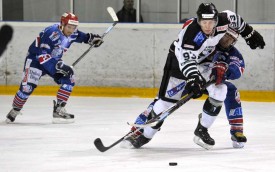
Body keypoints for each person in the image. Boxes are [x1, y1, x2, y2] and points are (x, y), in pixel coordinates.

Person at [120, 3, 265, 149]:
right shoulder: (190, 33)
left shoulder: (225, 21)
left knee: (221, 90)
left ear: (216, 20)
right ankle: (145, 136)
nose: (208, 26)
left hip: (202, 64)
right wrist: (194, 79)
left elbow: (236, 20)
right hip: (178, 64)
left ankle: (202, 129)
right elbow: (187, 61)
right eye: (204, 22)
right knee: (165, 103)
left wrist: (249, 33)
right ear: (198, 21)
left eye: (211, 22)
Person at [5, 12, 104, 124]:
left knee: (69, 76)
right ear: (62, 24)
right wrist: (57, 66)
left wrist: (92, 39)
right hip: (35, 60)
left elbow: (83, 37)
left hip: (52, 60)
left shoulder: (72, 32)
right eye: (69, 27)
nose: (71, 30)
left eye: (73, 27)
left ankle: (59, 110)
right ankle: (15, 109)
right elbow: (42, 55)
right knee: (27, 88)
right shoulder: (51, 33)